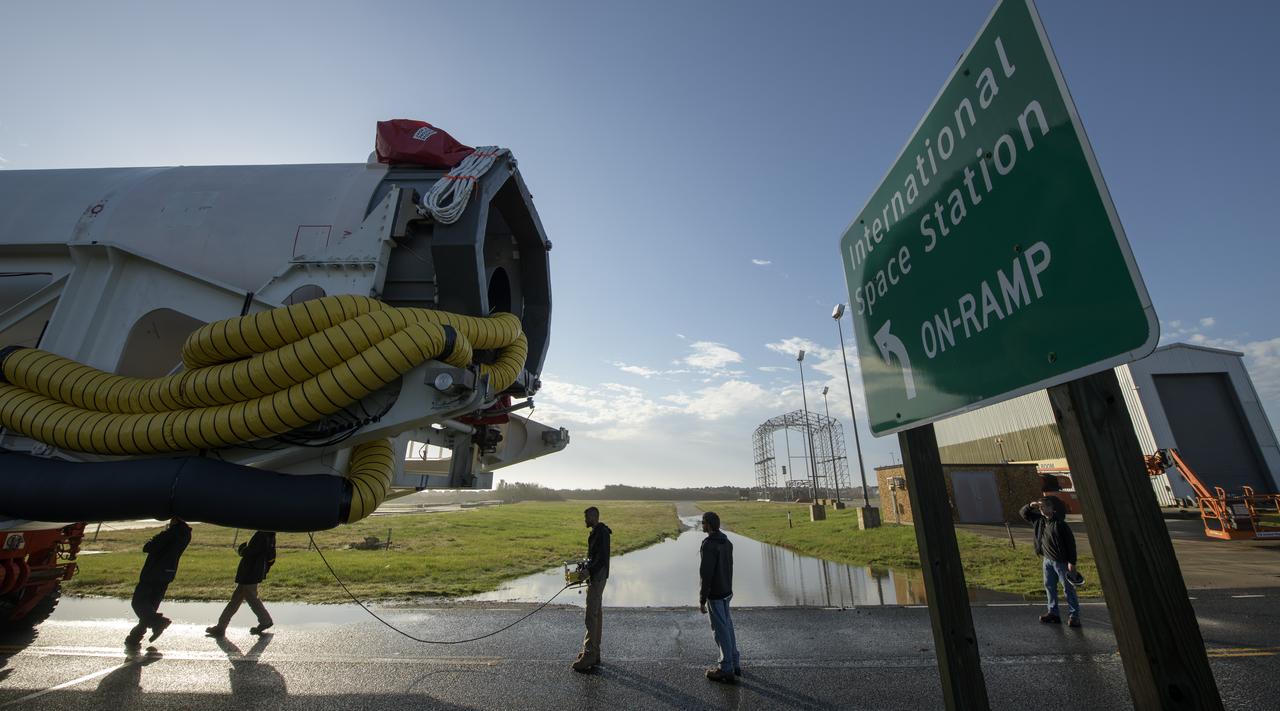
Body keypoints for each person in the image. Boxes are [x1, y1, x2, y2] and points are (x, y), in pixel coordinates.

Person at [126, 518, 192, 648]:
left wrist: (158, 536)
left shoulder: (170, 533)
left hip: (153, 572)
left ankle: (158, 622)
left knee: (139, 602)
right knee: (150, 606)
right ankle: (136, 636)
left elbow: (148, 547)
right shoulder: (186, 534)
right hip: (168, 573)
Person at [1020, 496, 1081, 628]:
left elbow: (1071, 544)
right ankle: (1053, 613)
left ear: (1052, 508)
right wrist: (1031, 504)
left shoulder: (1060, 524)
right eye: (1041, 507)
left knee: (1068, 589)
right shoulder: (1039, 521)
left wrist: (1072, 562)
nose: (1042, 509)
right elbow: (1023, 513)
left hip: (1062, 562)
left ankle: (1074, 616)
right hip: (1047, 560)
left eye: (1045, 506)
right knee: (1049, 586)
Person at [206, 530, 276, 638]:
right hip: (253, 572)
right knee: (236, 600)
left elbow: (250, 552)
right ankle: (221, 626)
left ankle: (265, 620)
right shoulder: (270, 536)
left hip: (250, 572)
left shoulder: (261, 535)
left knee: (251, 599)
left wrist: (242, 550)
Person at [699, 511, 740, 684]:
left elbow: (706, 574)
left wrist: (702, 598)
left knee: (720, 630)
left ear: (708, 524)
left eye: (703, 522)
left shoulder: (709, 544)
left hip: (715, 594)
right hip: (726, 591)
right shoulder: (727, 542)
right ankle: (734, 662)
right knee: (728, 627)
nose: (701, 525)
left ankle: (725, 668)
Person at [571, 506, 610, 672]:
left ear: (594, 517)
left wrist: (589, 570)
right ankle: (595, 652)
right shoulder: (598, 531)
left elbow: (601, 558)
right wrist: (587, 566)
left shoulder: (600, 533)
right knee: (596, 615)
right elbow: (596, 557)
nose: (585, 520)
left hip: (598, 577)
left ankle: (589, 654)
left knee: (591, 617)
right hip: (598, 576)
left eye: (587, 517)